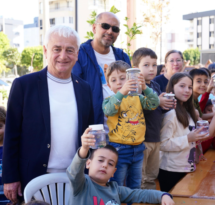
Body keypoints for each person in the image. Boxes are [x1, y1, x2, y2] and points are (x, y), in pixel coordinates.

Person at [3, 25, 94, 204]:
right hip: (33, 177)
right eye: (57, 49)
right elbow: (11, 134)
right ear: (45, 51)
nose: (63, 56)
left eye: (69, 50)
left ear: (77, 54)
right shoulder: (24, 85)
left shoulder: (84, 88)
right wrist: (10, 177)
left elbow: (88, 132)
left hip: (75, 178)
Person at [66, 129, 175, 205]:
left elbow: (140, 194)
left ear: (113, 172)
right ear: (88, 163)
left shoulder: (115, 190)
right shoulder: (80, 185)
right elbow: (74, 172)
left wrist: (163, 195)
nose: (104, 165)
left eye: (110, 164)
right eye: (100, 160)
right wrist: (84, 149)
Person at [158, 73, 215, 192]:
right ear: (172, 87)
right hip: (171, 170)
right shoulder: (171, 114)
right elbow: (163, 144)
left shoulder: (189, 113)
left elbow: (203, 136)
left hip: (186, 167)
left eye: (189, 87)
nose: (187, 90)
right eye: (182, 86)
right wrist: (188, 138)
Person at [102, 60, 159, 201]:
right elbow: (109, 110)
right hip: (119, 150)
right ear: (109, 86)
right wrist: (122, 92)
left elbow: (154, 103)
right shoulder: (110, 100)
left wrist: (144, 87)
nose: (119, 82)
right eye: (114, 80)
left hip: (138, 149)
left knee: (135, 185)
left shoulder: (137, 98)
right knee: (117, 185)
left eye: (123, 78)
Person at [72, 12, 131, 127]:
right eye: (105, 26)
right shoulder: (79, 55)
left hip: (124, 131)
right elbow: (76, 91)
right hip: (94, 129)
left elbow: (132, 88)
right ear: (94, 28)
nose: (110, 31)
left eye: (115, 29)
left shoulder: (122, 57)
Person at [131, 48, 174, 190]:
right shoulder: (136, 87)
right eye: (146, 65)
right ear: (135, 68)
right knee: (140, 176)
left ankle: (148, 198)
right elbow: (136, 107)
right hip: (143, 138)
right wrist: (158, 102)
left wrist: (165, 105)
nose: (151, 69)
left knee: (152, 174)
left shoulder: (155, 85)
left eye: (154, 65)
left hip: (155, 137)